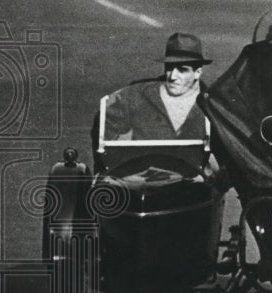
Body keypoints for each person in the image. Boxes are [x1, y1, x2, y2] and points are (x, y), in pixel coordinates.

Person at [93, 33, 220, 182]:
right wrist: (105, 170)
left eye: (182, 70)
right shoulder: (137, 95)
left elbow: (230, 154)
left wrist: (217, 181)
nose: (172, 76)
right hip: (143, 183)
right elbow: (103, 129)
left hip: (193, 188)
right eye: (169, 67)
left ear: (197, 72)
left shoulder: (213, 105)